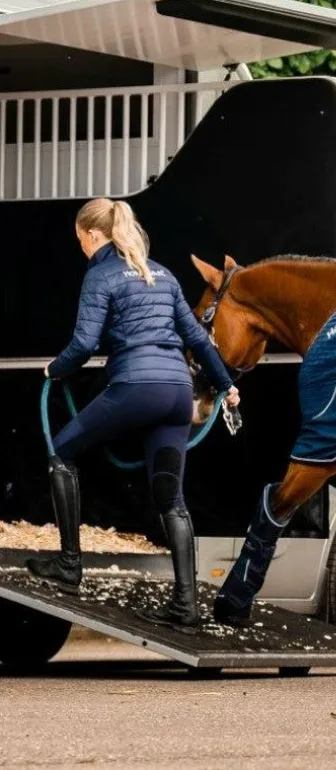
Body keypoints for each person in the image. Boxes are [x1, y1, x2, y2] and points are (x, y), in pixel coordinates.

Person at [26, 198, 239, 631]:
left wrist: (55, 368)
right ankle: (186, 606)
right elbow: (199, 340)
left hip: (137, 387)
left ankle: (69, 566)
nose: (81, 247)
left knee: (62, 452)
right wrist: (226, 385)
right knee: (171, 499)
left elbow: (84, 344)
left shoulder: (100, 275)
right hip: (177, 394)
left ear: (93, 235)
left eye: (81, 239)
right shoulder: (161, 273)